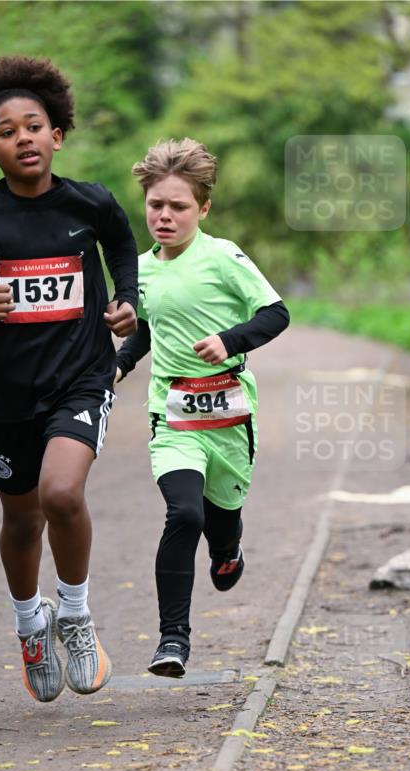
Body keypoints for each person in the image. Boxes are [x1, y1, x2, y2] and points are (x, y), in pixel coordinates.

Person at [0, 56, 138, 702]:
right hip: (10, 395)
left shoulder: (91, 203)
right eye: (8, 131)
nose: (24, 138)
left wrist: (126, 299)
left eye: (34, 126)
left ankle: (73, 614)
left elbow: (123, 247)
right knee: (21, 523)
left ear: (57, 135)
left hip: (82, 377)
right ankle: (30, 626)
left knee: (61, 495)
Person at [114, 138, 289, 678]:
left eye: (179, 207)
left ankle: (229, 545)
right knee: (183, 512)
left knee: (221, 517)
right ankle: (173, 641)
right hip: (173, 415)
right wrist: (118, 365)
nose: (164, 216)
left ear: (203, 209)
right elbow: (147, 330)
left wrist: (230, 341)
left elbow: (276, 313)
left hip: (230, 417)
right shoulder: (139, 270)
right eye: (155, 205)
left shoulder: (224, 257)